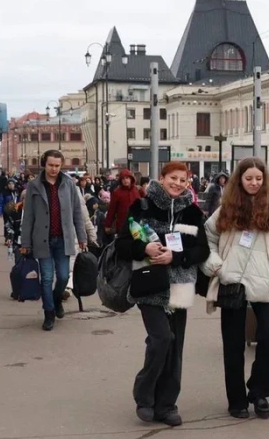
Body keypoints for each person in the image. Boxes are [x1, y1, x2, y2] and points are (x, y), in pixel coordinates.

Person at [115, 162, 210, 428]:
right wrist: (144, 248)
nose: (178, 183)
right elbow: (122, 244)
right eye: (173, 178)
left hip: (180, 284)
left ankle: (167, 405)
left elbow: (201, 251)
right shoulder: (142, 206)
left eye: (183, 180)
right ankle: (144, 396)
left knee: (175, 346)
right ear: (162, 178)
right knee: (161, 339)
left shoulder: (192, 212)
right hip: (149, 282)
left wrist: (176, 256)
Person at [201, 157, 269, 420]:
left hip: (266, 283)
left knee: (267, 338)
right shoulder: (226, 211)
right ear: (239, 181)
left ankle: (259, 392)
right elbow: (207, 237)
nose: (254, 183)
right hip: (233, 283)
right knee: (232, 346)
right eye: (248, 178)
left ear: (264, 181)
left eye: (258, 178)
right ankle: (236, 400)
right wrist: (215, 264)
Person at [20, 150, 87, 331]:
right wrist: (25, 242)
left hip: (63, 239)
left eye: (57, 166)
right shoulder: (34, 186)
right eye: (51, 165)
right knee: (47, 278)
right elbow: (28, 217)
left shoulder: (69, 184)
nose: (54, 169)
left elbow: (77, 213)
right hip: (42, 240)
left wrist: (82, 237)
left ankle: (57, 300)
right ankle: (48, 313)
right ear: (44, 164)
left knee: (64, 276)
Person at [105, 169, 141, 236]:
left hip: (137, 224)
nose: (125, 180)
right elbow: (112, 209)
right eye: (123, 179)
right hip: (122, 225)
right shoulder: (117, 193)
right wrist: (108, 224)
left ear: (130, 179)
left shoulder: (136, 190)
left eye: (127, 178)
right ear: (120, 181)